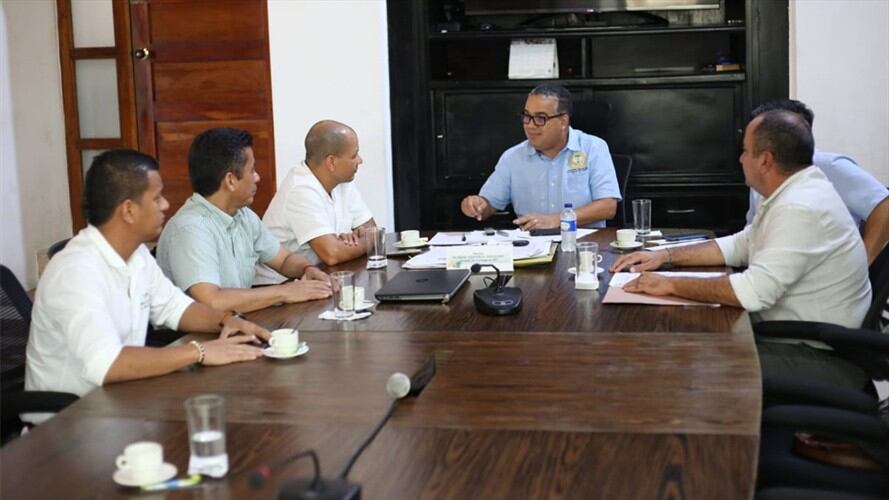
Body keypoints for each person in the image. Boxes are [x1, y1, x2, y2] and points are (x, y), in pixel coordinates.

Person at [611, 110, 872, 390]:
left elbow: (752, 292)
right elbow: (742, 244)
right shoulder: (797, 190)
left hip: (815, 352)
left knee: (687, 360)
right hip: (794, 337)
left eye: (745, 151)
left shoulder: (799, 207)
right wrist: (665, 256)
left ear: (765, 160)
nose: (740, 159)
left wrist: (669, 284)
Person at [25, 150, 269, 422]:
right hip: (69, 424)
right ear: (129, 210)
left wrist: (227, 321)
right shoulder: (76, 271)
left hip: (124, 405)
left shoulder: (137, 255)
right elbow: (106, 364)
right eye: (156, 198)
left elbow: (177, 308)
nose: (165, 205)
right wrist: (198, 352)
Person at [156, 128, 332, 312]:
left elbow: (284, 259)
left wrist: (307, 269)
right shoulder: (190, 229)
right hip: (202, 329)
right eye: (252, 170)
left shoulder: (243, 215)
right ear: (231, 180)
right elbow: (211, 301)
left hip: (237, 321)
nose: (257, 177)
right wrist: (285, 292)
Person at [745, 99, 889, 264]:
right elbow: (752, 233)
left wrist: (863, 263)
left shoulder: (830, 166)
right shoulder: (759, 169)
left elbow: (884, 206)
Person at [460, 84, 621, 230]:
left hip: (584, 243)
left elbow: (608, 207)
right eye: (526, 116)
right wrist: (477, 205)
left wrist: (556, 220)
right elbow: (489, 204)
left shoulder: (593, 148)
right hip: (530, 244)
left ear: (563, 121)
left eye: (540, 118)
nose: (530, 125)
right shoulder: (513, 157)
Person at [255, 121, 375, 283]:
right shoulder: (300, 189)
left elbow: (371, 229)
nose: (360, 160)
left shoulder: (342, 181)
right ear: (331, 162)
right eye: (354, 155)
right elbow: (332, 254)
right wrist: (366, 241)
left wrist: (350, 242)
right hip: (279, 286)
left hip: (317, 277)